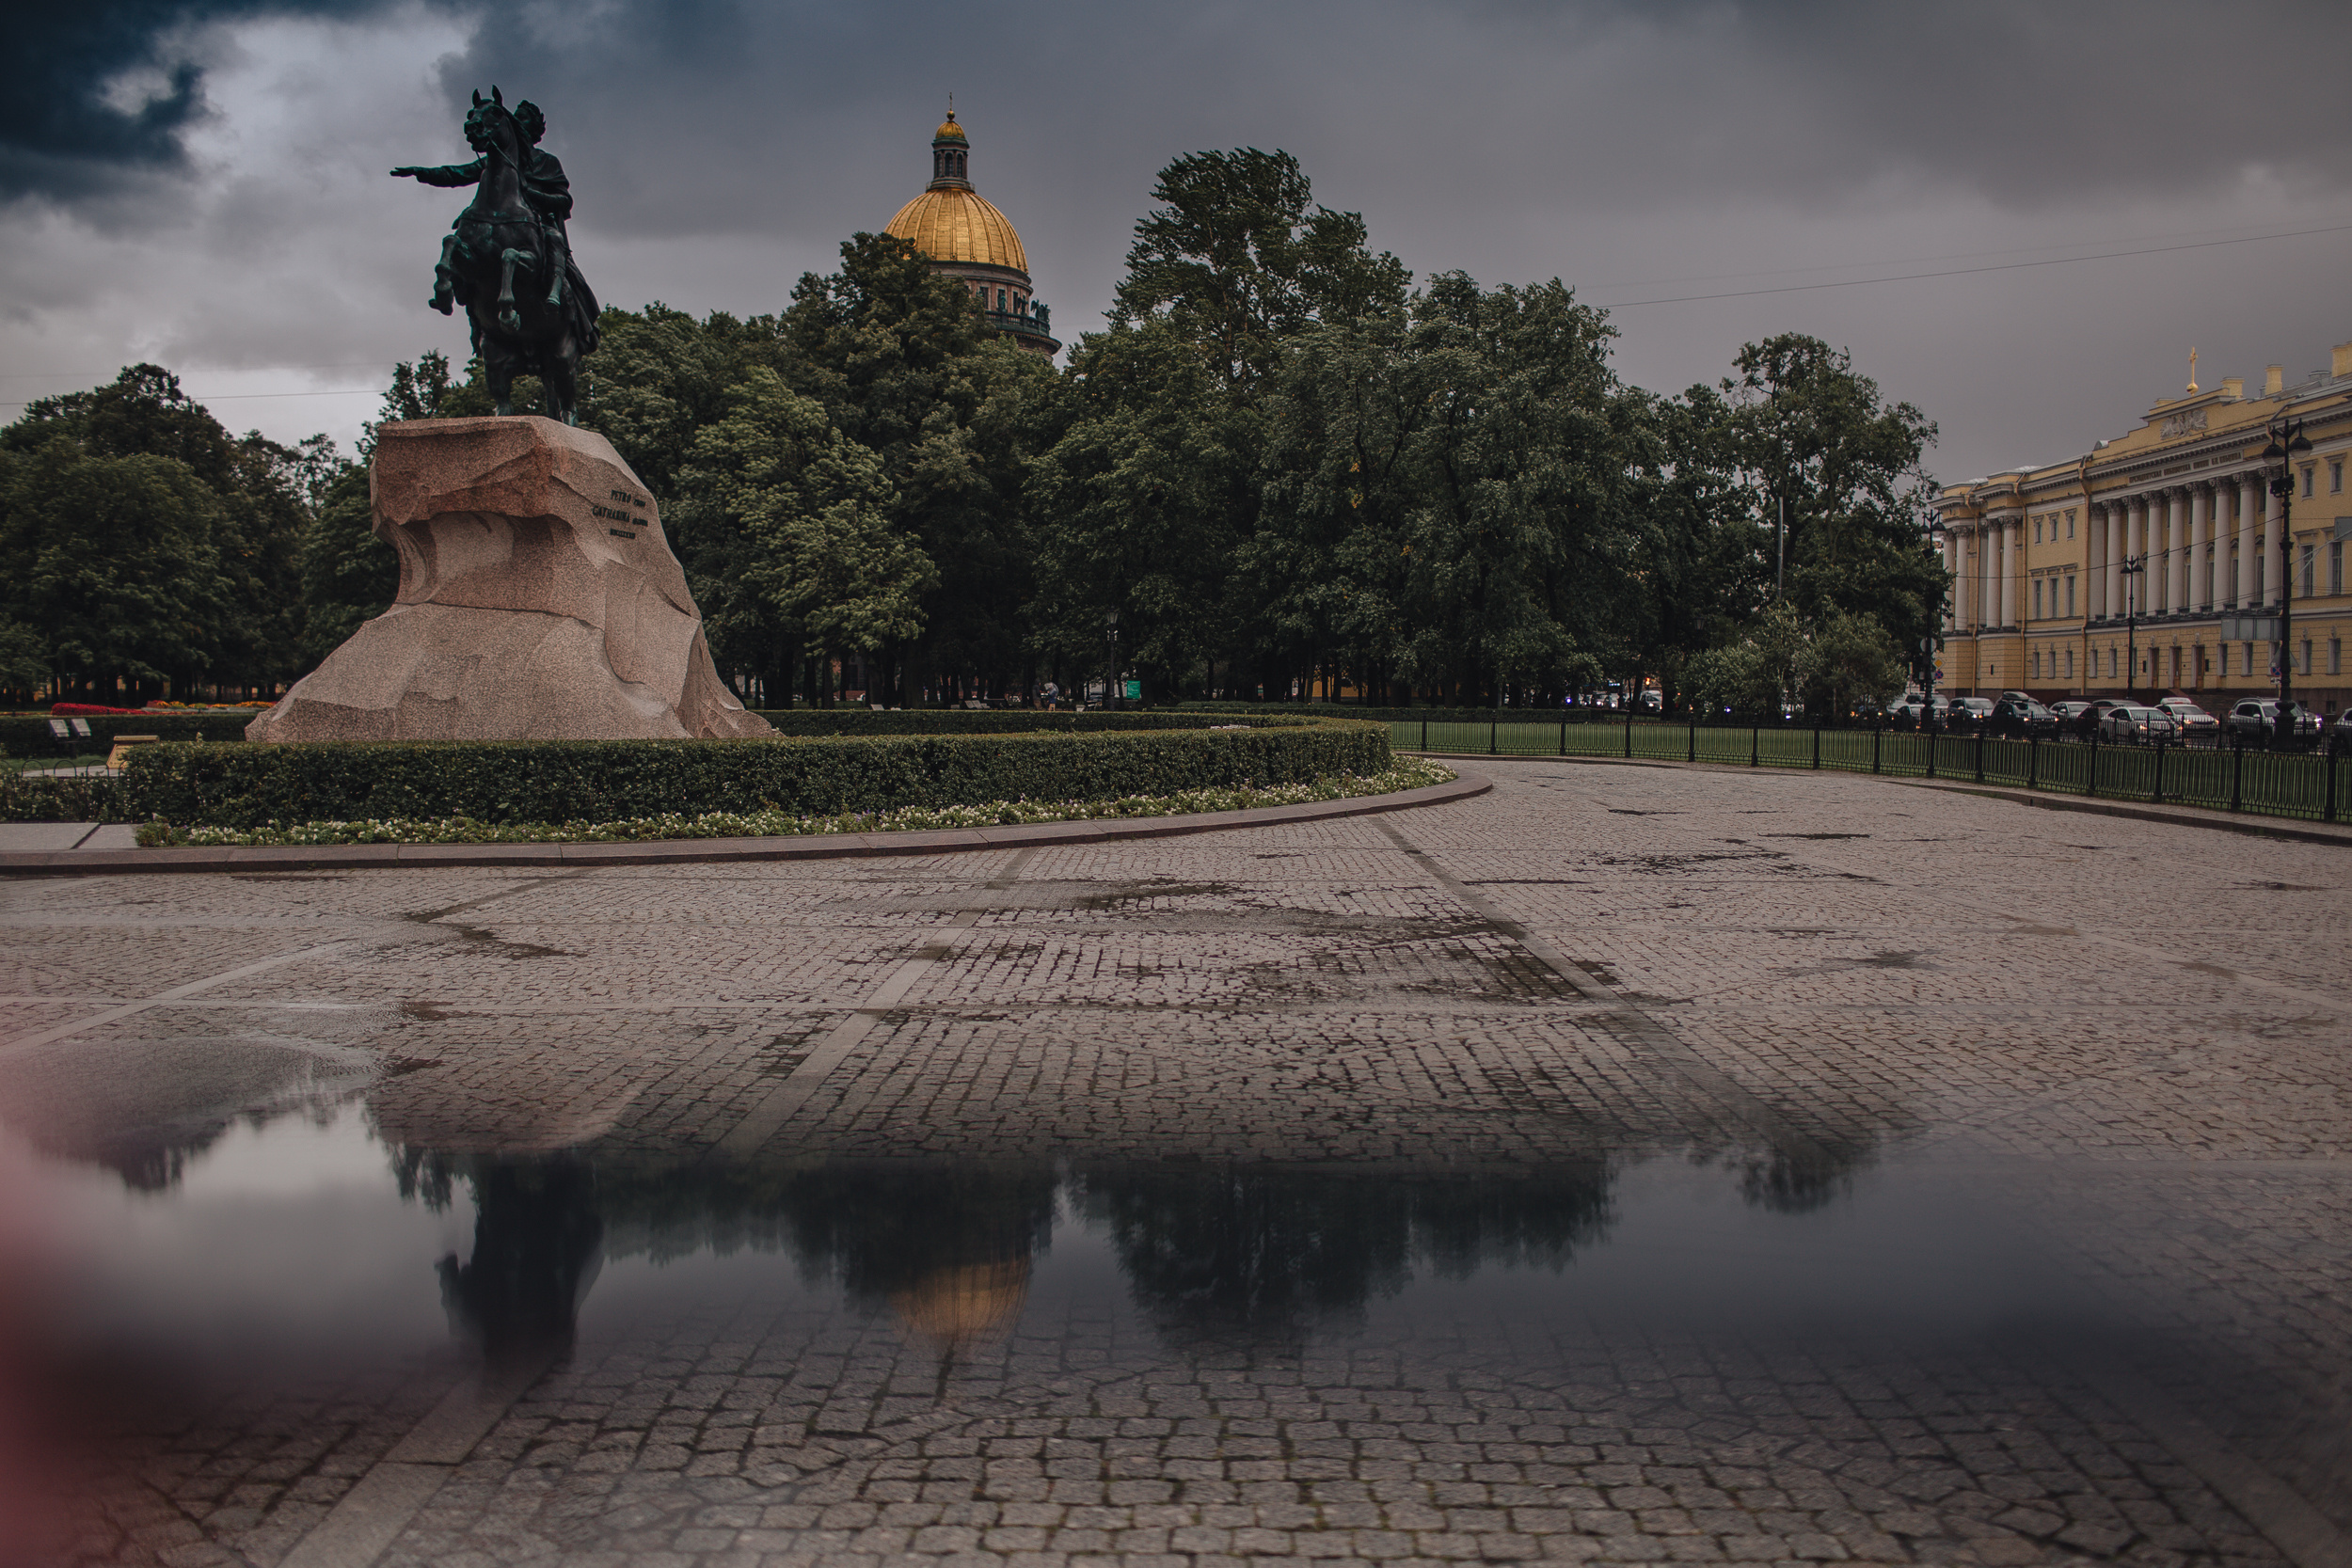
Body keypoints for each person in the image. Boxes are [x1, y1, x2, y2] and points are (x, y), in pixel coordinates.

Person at [393, 100, 576, 314]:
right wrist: (420, 172)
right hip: (494, 220)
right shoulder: (493, 161)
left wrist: (533, 194)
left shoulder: (547, 161)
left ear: (535, 129)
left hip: (536, 224)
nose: (518, 121)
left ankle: (556, 295)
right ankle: (456, 290)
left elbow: (564, 200)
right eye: (515, 117)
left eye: (523, 118)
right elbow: (456, 174)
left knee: (554, 239)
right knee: (462, 234)